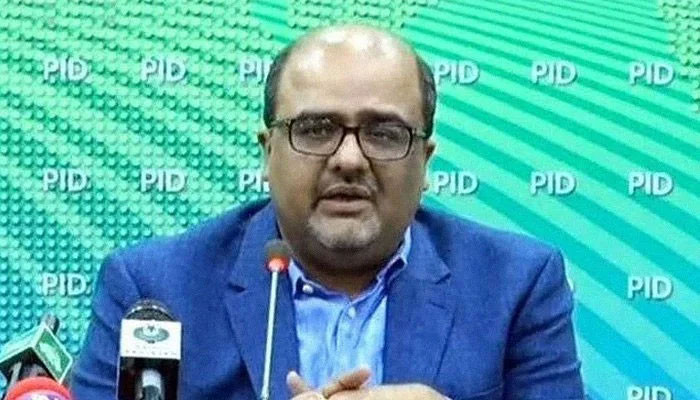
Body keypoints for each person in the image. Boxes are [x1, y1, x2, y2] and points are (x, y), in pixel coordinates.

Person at [71, 24, 584, 400]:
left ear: (425, 162)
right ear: (267, 152)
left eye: (384, 133)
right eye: (316, 129)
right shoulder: (153, 291)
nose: (349, 159)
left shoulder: (516, 284)